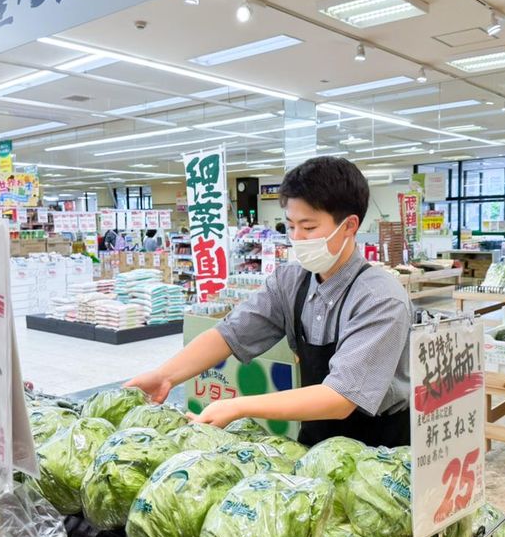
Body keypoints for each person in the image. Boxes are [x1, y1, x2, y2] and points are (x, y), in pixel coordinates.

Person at [125, 157, 412, 447]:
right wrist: (164, 377)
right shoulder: (290, 282)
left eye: (309, 228)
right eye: (290, 226)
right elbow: (231, 334)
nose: (297, 238)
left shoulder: (380, 299)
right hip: (315, 442)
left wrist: (238, 406)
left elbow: (341, 396)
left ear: (349, 225)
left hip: (379, 452)